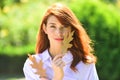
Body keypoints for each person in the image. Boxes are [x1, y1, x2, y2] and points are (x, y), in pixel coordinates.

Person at [23, 3, 99, 80]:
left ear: (71, 29)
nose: (59, 33)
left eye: (64, 26)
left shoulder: (85, 63)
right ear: (45, 28)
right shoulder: (33, 64)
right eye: (53, 26)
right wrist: (57, 77)